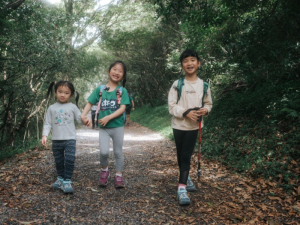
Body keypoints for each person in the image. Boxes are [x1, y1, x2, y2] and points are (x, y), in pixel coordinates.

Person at [168, 49, 213, 205]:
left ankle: (182, 189)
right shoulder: (177, 84)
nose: (189, 63)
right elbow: (171, 106)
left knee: (186, 155)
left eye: (193, 60)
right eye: (186, 61)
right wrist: (185, 112)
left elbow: (209, 103)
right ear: (182, 65)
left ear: (198, 63)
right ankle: (186, 178)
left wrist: (205, 110)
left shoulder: (204, 85)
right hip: (179, 125)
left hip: (194, 127)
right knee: (181, 155)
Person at [81, 60, 130, 188]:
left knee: (118, 152)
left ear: (123, 76)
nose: (117, 72)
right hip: (104, 128)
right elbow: (90, 103)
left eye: (120, 71)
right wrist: (83, 115)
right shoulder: (100, 89)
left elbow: (122, 108)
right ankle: (105, 171)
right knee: (103, 152)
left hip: (117, 126)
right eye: (114, 69)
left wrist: (108, 117)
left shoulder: (122, 91)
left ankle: (118, 175)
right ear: (109, 71)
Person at [42, 81, 89, 193]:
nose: (62, 95)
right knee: (58, 161)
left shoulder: (73, 107)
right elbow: (47, 123)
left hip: (70, 139)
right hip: (56, 139)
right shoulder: (51, 108)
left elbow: (79, 119)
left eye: (66, 93)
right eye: (60, 92)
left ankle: (67, 181)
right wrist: (44, 135)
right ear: (55, 92)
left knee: (69, 159)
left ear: (71, 95)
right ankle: (60, 178)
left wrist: (85, 120)